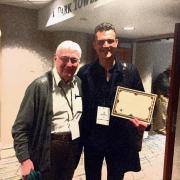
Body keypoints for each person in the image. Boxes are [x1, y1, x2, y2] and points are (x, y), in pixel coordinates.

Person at [77, 22, 148, 180]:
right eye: (101, 42)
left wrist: (143, 123)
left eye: (109, 41)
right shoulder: (84, 72)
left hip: (118, 140)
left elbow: (142, 105)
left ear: (116, 42)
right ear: (95, 45)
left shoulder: (130, 72)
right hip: (92, 139)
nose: (105, 45)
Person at [12, 40, 83, 180]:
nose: (69, 64)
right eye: (64, 59)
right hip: (47, 150)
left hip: (71, 150)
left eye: (74, 60)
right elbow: (20, 128)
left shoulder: (78, 83)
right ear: (55, 59)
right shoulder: (39, 86)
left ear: (79, 62)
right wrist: (24, 159)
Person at [152, 66, 171, 135]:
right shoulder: (162, 76)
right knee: (162, 114)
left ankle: (161, 128)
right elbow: (165, 87)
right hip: (162, 97)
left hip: (165, 97)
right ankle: (160, 129)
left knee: (164, 114)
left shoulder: (168, 76)